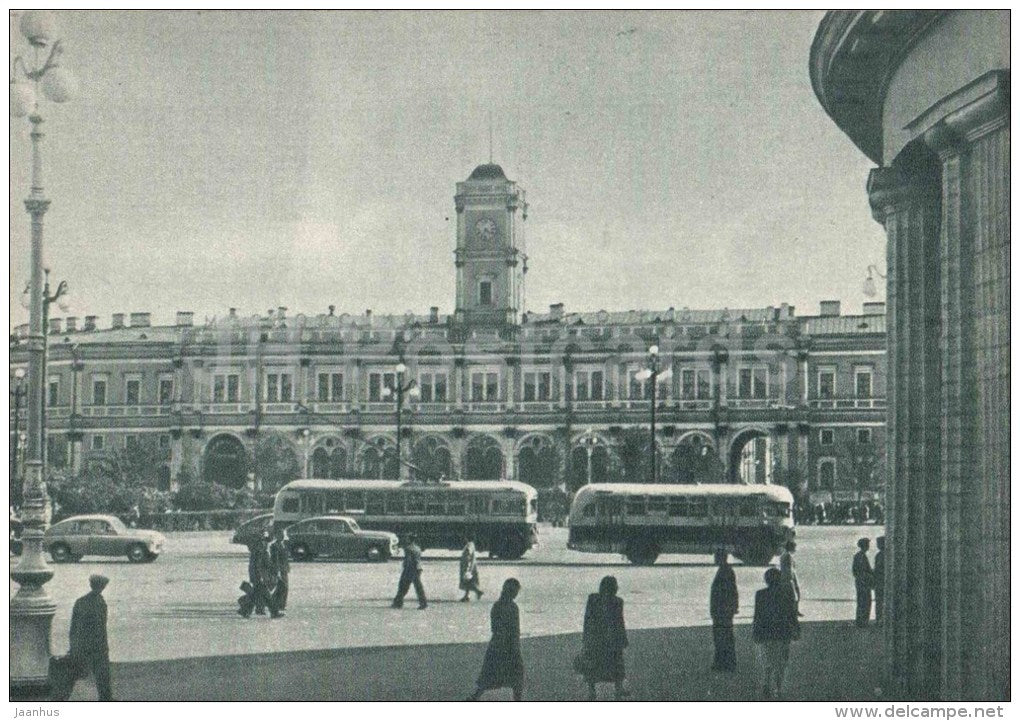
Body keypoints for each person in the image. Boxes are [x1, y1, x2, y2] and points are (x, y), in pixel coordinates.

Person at [53, 574, 113, 701]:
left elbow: (74, 626)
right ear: (102, 587)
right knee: (102, 673)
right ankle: (105, 698)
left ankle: (60, 698)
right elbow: (100, 628)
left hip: (81, 644)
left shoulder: (81, 601)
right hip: (96, 645)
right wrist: (104, 646)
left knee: (73, 673)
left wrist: (73, 644)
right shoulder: (100, 603)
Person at [468, 578, 524, 701]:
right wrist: (514, 646)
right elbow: (514, 630)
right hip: (509, 646)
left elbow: (495, 627)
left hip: (497, 645)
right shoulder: (513, 607)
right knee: (517, 676)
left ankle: (475, 697)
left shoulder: (497, 605)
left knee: (490, 674)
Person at [577, 575, 629, 700]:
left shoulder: (593, 599)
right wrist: (623, 639)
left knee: (593, 665)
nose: (617, 587)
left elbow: (587, 620)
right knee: (616, 664)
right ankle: (618, 689)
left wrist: (586, 638)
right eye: (615, 585)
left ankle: (592, 691)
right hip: (610, 639)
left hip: (597, 639)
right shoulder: (617, 601)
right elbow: (619, 622)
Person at [752, 567, 799, 700]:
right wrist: (796, 629)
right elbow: (792, 614)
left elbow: (757, 616)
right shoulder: (786, 594)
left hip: (766, 633)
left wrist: (755, 632)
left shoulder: (760, 594)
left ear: (766, 581)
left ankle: (766, 683)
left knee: (768, 660)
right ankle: (778, 689)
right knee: (781, 662)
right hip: (783, 633)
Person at [709, 549, 738, 672]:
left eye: (717, 557)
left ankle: (723, 663)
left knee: (722, 637)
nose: (715, 559)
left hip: (722, 611)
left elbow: (729, 592)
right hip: (723, 611)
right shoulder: (726, 570)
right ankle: (725, 662)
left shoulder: (725, 571)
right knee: (724, 636)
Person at [392, 534, 427, 610]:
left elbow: (408, 560)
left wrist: (405, 568)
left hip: (410, 569)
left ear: (410, 539)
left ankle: (398, 602)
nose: (405, 540)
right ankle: (423, 603)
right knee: (418, 587)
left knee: (403, 586)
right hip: (418, 568)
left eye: (407, 538)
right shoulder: (417, 548)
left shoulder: (408, 548)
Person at [852, 538, 874, 628]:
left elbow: (855, 571)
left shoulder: (859, 556)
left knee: (862, 601)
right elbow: (862, 571)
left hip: (860, 581)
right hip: (863, 582)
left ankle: (861, 621)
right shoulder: (861, 556)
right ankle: (863, 621)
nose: (868, 546)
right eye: (867, 544)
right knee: (865, 601)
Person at [268, 528, 290, 614]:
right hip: (279, 569)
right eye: (280, 535)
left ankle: (281, 604)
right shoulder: (274, 546)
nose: (282, 537)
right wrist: (277, 570)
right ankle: (278, 603)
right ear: (277, 536)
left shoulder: (284, 544)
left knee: (284, 587)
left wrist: (287, 567)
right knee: (282, 587)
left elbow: (286, 558)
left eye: (283, 535)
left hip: (284, 569)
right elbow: (275, 559)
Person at [779, 540, 802, 615]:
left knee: (791, 594)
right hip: (789, 578)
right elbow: (790, 569)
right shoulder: (788, 555)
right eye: (794, 547)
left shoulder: (783, 555)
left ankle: (794, 610)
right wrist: (793, 579)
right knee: (794, 595)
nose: (795, 549)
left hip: (786, 577)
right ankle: (794, 610)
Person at [873, 536, 885, 625]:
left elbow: (877, 569)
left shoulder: (879, 555)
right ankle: (880, 619)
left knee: (879, 602)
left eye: (879, 543)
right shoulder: (881, 555)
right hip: (881, 581)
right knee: (880, 601)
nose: (877, 545)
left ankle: (879, 619)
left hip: (880, 581)